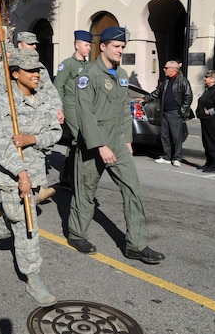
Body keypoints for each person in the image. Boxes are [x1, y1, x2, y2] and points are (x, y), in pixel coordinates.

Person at [67, 27, 165, 264]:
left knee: (133, 188)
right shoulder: (88, 75)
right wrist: (100, 145)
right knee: (86, 191)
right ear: (103, 47)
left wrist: (127, 139)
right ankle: (76, 234)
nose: (121, 51)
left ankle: (136, 245)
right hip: (93, 142)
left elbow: (124, 109)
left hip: (117, 141)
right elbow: (85, 114)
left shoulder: (121, 74)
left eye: (123, 47)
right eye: (117, 47)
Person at [0, 48, 62, 306]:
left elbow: (56, 132)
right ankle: (33, 277)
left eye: (38, 70)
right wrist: (22, 174)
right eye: (31, 71)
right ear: (15, 74)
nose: (37, 75)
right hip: (12, 175)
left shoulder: (43, 100)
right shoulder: (6, 104)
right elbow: (3, 147)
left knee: (16, 219)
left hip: (36, 172)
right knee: (27, 224)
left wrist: (33, 139)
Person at [15, 32, 62, 203]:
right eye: (30, 44)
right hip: (17, 118)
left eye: (35, 44)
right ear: (20, 45)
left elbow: (49, 90)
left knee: (37, 151)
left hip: (35, 116)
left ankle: (37, 187)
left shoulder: (40, 67)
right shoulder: (8, 65)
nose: (34, 46)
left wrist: (58, 108)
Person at [54, 30, 92, 184]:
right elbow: (58, 86)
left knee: (74, 142)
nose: (88, 48)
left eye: (89, 45)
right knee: (81, 138)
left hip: (84, 106)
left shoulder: (89, 65)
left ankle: (67, 175)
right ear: (77, 45)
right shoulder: (67, 64)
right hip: (70, 105)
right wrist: (59, 108)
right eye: (86, 45)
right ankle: (79, 175)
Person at [142, 60, 193, 167]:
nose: (164, 70)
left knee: (176, 136)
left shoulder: (183, 81)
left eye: (166, 68)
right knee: (164, 135)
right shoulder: (165, 82)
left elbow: (188, 97)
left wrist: (181, 111)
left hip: (175, 113)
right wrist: (144, 99)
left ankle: (177, 158)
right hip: (165, 112)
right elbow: (156, 93)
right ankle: (166, 156)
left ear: (173, 69)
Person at [195, 70, 215, 173]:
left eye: (207, 77)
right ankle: (208, 163)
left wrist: (209, 112)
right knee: (207, 142)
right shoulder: (209, 89)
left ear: (213, 79)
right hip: (205, 120)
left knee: (213, 143)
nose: (204, 78)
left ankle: (214, 165)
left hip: (213, 121)